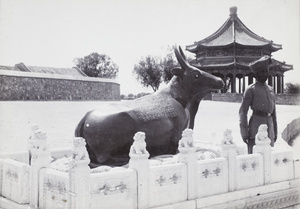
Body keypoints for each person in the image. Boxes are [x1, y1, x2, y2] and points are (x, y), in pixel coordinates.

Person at [239, 55, 277, 154]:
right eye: (263, 72)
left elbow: (273, 113)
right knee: (256, 159)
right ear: (256, 74)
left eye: (266, 71)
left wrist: (275, 131)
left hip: (270, 129)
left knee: (269, 158)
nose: (266, 74)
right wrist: (244, 133)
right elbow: (243, 112)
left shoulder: (270, 89)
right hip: (255, 128)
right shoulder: (250, 89)